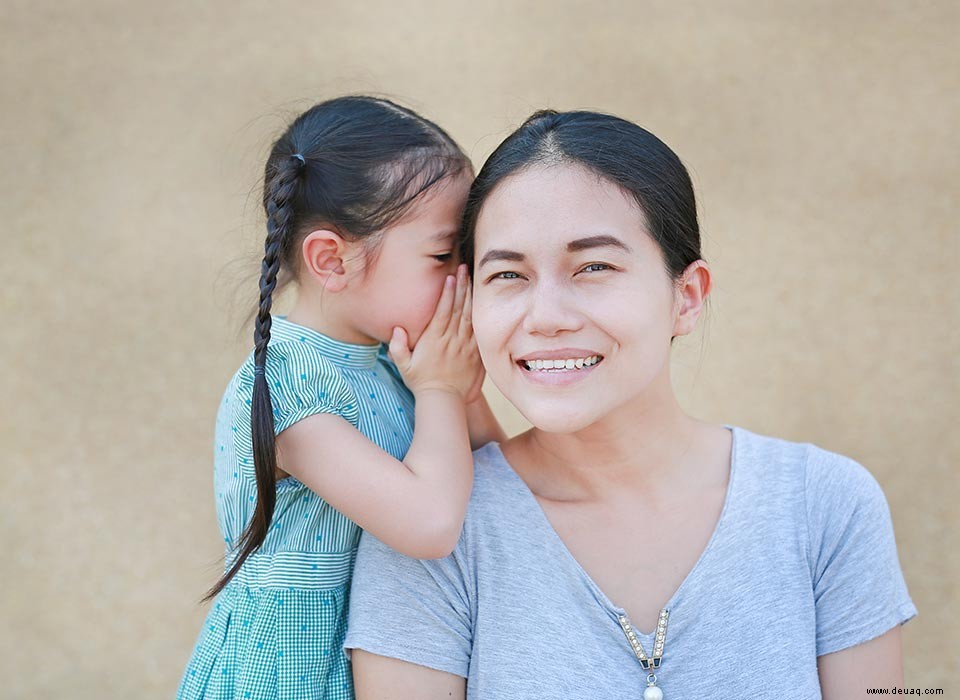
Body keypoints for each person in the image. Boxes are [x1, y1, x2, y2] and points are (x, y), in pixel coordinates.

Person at [344, 110, 917, 699]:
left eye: (594, 267)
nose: (546, 318)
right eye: (509, 275)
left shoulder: (825, 507)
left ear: (686, 298)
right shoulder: (435, 536)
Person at [177, 95, 504, 700]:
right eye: (442, 255)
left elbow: (495, 477)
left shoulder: (389, 363)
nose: (464, 276)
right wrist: (439, 388)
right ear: (332, 259)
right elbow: (430, 523)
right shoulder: (285, 384)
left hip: (382, 658)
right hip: (282, 671)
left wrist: (457, 390)